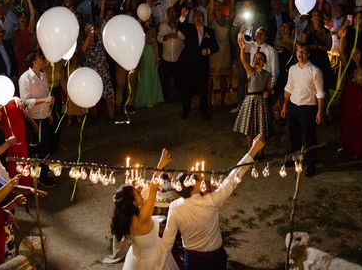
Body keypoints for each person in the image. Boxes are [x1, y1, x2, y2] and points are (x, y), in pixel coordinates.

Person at [156, 135, 265, 270]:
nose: (200, 177)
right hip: (215, 258)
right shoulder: (211, 201)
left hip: (192, 259)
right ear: (192, 187)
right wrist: (253, 151)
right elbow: (233, 178)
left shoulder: (175, 207)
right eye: (196, 178)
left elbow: (167, 242)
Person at [111, 149, 178, 270]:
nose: (140, 192)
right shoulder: (143, 216)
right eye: (137, 193)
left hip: (136, 257)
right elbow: (153, 190)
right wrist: (160, 164)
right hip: (154, 259)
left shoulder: (123, 216)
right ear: (132, 201)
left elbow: (147, 192)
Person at [280, 43, 325, 177]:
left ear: (308, 54)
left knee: (309, 137)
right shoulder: (293, 69)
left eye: (303, 52)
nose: (300, 54)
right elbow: (288, 88)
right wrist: (284, 105)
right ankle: (296, 159)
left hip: (308, 108)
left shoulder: (315, 71)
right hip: (294, 106)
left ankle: (311, 163)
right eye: (299, 51)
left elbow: (320, 93)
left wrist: (320, 111)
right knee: (294, 135)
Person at [19, 51, 56, 187]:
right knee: (39, 146)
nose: (43, 59)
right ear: (34, 62)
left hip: (45, 114)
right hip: (35, 117)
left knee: (46, 145)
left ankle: (44, 170)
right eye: (40, 58)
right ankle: (40, 175)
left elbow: (46, 93)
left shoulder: (43, 74)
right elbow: (25, 101)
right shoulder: (25, 78)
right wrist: (44, 100)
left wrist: (49, 111)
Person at [177, 8, 219, 119]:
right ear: (193, 19)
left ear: (203, 19)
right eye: (196, 16)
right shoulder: (189, 28)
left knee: (203, 88)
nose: (198, 18)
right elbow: (180, 26)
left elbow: (215, 47)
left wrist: (208, 51)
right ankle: (185, 110)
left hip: (202, 65)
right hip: (189, 64)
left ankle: (204, 111)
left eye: (200, 16)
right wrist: (182, 16)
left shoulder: (209, 31)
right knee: (187, 87)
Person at [232, 40, 272, 149]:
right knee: (249, 129)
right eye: (255, 58)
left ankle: (260, 152)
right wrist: (242, 49)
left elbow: (269, 89)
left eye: (260, 58)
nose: (257, 60)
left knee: (261, 129)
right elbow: (243, 60)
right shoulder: (251, 72)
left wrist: (267, 92)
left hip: (261, 102)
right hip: (250, 101)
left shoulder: (268, 75)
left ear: (264, 62)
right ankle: (251, 152)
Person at [337, 47, 362, 159]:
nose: (355, 55)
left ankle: (357, 148)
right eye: (353, 53)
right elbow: (341, 52)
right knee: (346, 122)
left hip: (358, 96)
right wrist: (342, 37)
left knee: (357, 122)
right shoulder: (348, 66)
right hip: (348, 96)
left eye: (357, 52)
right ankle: (347, 146)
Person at [207, 0, 233, 109]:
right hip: (215, 52)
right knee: (212, 77)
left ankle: (222, 100)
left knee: (223, 77)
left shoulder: (227, 20)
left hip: (226, 52)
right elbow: (211, 7)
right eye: (215, 7)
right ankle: (211, 98)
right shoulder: (211, 21)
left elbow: (232, 6)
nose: (217, 8)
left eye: (219, 7)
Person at [157, 7, 185, 100]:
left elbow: (184, 38)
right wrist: (169, 35)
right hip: (167, 58)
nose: (171, 13)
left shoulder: (181, 24)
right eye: (169, 12)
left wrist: (176, 28)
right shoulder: (163, 25)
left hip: (179, 58)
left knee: (180, 79)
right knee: (166, 80)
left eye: (173, 11)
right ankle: (165, 97)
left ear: (176, 13)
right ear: (167, 14)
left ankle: (181, 97)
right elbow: (159, 39)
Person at [134, 25, 164, 108]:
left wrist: (157, 59)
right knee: (146, 78)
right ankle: (147, 99)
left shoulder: (151, 38)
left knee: (151, 77)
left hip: (151, 58)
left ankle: (151, 99)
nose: (150, 33)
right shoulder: (142, 37)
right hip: (145, 58)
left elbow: (156, 47)